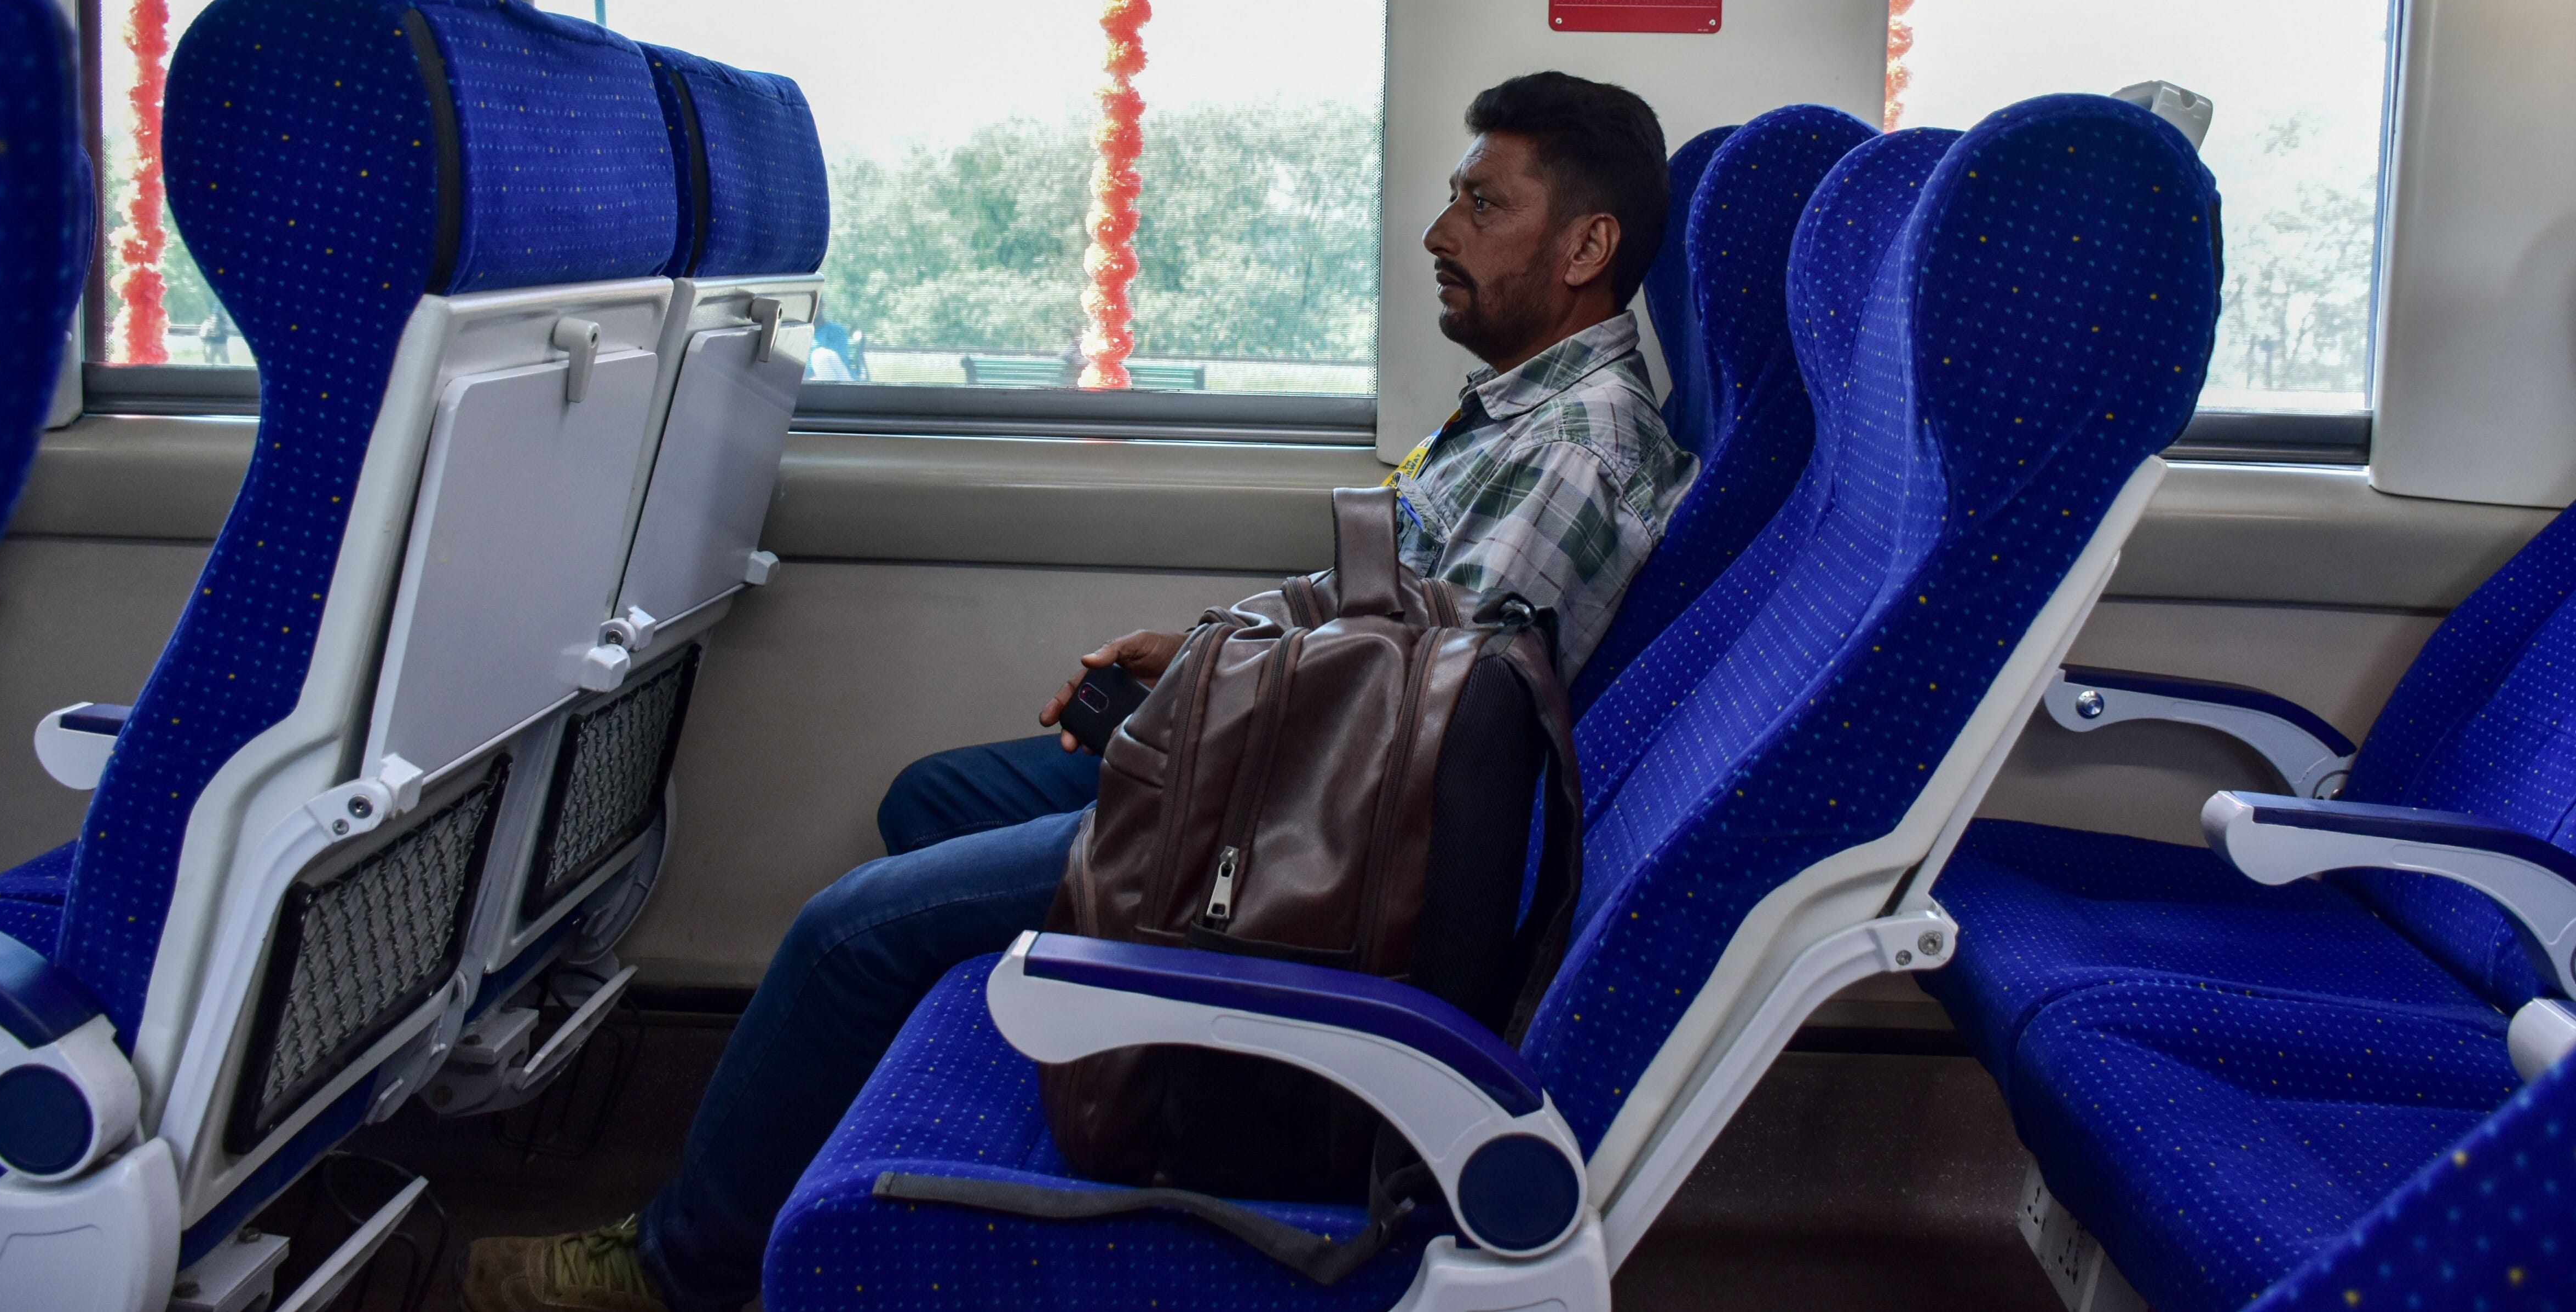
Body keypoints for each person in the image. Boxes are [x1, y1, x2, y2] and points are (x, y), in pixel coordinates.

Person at [462, 71, 1699, 1312]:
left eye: (1482, 204)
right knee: (934, 798)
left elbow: (1421, 735)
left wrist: (1222, 701)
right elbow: (1394, 628)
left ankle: (679, 1266)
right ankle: (1067, 1046)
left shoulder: (1575, 450)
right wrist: (1210, 645)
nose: (1441, 233)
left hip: (1313, 842)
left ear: (1587, 245)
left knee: (847, 932)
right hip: (1302, 769)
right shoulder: (1521, 409)